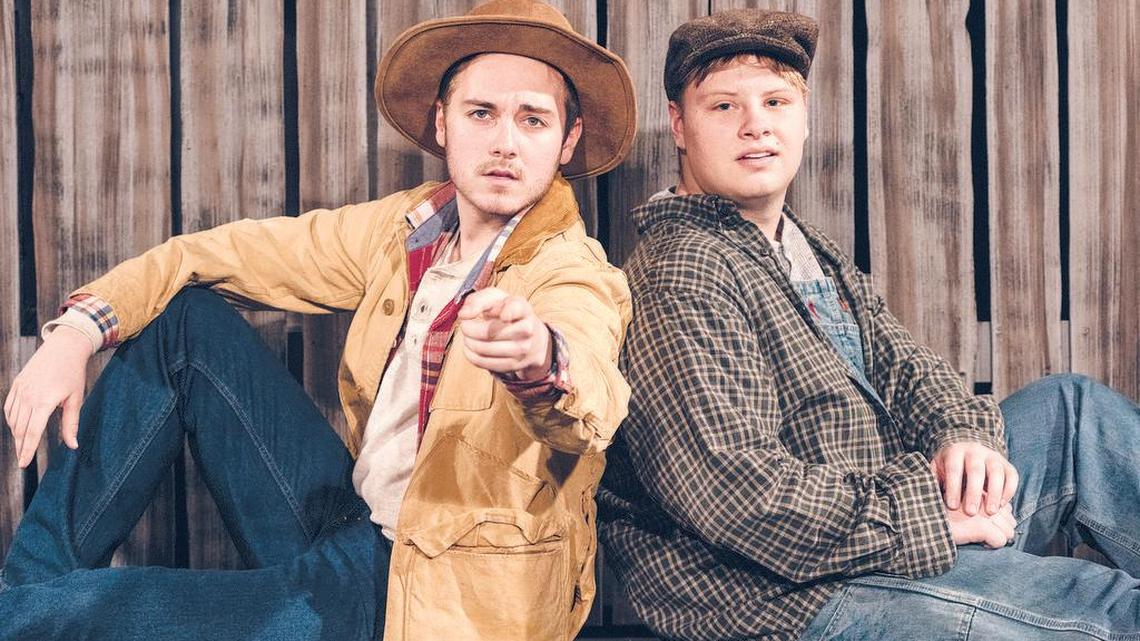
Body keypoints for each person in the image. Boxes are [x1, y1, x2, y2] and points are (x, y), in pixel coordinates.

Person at [0, 1, 636, 639]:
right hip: (354, 523)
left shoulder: (571, 270)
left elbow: (589, 388)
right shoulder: (409, 227)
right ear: (443, 123)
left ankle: (17, 612)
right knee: (186, 321)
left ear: (566, 140)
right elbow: (207, 256)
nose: (505, 141)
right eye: (481, 113)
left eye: (533, 119)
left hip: (427, 586)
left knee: (97, 612)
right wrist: (77, 332)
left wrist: (539, 360)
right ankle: (21, 594)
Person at [598, 8, 1140, 641]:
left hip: (879, 518)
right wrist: (929, 517)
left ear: (802, 119)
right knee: (1108, 607)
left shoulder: (797, 245)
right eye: (723, 106)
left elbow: (908, 367)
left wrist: (964, 440)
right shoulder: (682, 269)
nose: (756, 126)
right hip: (784, 592)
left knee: (1071, 412)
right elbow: (738, 498)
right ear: (679, 124)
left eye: (776, 101)